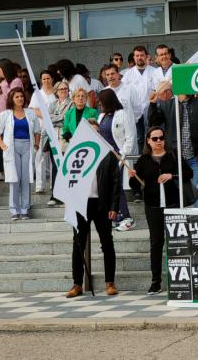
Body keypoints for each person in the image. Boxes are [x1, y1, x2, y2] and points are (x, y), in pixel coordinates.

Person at [130, 126, 193, 295]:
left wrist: (171, 175)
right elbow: (135, 186)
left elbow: (189, 173)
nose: (158, 141)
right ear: (148, 141)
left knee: (177, 242)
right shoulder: (143, 160)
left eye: (161, 138)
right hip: (153, 206)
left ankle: (180, 279)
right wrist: (132, 177)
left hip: (173, 204)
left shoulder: (173, 156)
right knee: (156, 243)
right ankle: (155, 281)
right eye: (154, 139)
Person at [66, 121, 121, 299]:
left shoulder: (108, 153)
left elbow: (115, 182)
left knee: (107, 242)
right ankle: (77, 284)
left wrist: (114, 206)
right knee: (78, 243)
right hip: (81, 203)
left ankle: (110, 282)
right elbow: (67, 177)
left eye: (96, 132)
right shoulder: (76, 154)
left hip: (102, 204)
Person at [147, 90, 198, 208]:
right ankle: (181, 223)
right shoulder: (167, 104)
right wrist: (152, 104)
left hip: (195, 157)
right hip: (174, 158)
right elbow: (153, 122)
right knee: (175, 192)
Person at [0, 88, 41, 220]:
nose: (20, 99)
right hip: (12, 147)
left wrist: (36, 146)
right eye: (16, 97)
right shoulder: (5, 114)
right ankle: (14, 210)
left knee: (26, 178)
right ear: (11, 99)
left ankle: (25, 209)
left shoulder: (30, 113)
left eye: (21, 96)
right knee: (14, 179)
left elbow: (37, 131)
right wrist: (3, 146)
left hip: (27, 146)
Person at [98, 89, 137, 231]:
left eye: (101, 101)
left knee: (117, 187)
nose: (99, 104)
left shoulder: (122, 114)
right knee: (108, 188)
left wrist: (122, 154)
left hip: (118, 157)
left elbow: (130, 137)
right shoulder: (102, 116)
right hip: (104, 158)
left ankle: (126, 217)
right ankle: (114, 217)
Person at [121, 46, 156, 153]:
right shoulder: (128, 74)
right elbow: (123, 93)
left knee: (153, 136)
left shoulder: (154, 72)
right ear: (134, 57)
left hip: (152, 110)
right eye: (137, 55)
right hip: (135, 112)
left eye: (142, 55)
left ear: (146, 57)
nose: (139, 57)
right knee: (139, 138)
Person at [30, 70, 56, 195]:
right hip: (41, 128)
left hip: (56, 127)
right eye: (44, 78)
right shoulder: (37, 94)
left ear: (52, 79)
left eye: (48, 78)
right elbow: (33, 109)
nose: (46, 80)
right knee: (40, 156)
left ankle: (53, 184)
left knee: (53, 157)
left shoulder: (57, 93)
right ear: (41, 80)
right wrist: (46, 116)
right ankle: (40, 185)